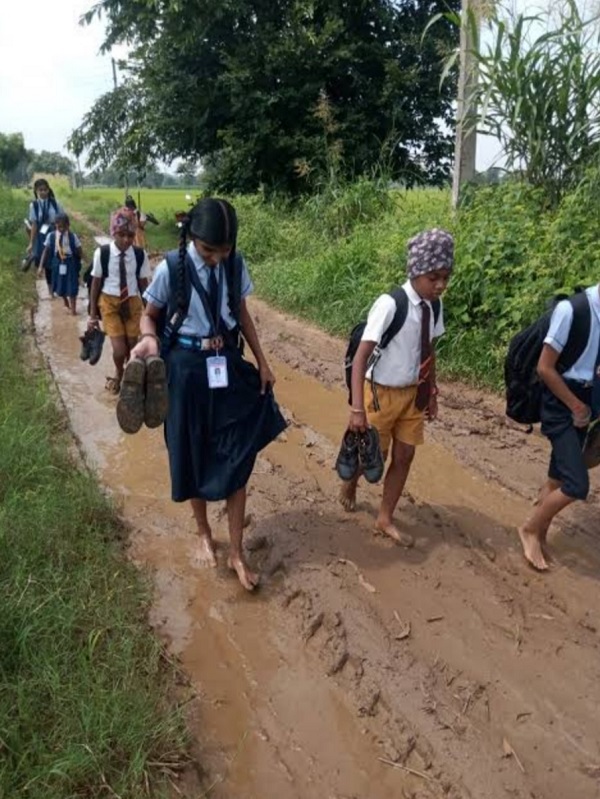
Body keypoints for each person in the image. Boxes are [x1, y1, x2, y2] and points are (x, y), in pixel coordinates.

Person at [128, 197, 287, 591]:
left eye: (224, 251)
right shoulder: (171, 267)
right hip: (184, 368)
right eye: (208, 250)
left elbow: (242, 313)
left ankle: (236, 551)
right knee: (190, 451)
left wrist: (262, 362)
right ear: (191, 239)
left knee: (238, 453)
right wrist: (149, 339)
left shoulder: (234, 264)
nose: (216, 258)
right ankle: (203, 533)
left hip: (225, 362)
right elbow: (149, 314)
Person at [339, 229, 454, 547]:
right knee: (373, 456)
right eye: (433, 277)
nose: (440, 285)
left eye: (445, 277)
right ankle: (351, 482)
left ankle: (385, 517)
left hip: (413, 395)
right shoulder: (390, 304)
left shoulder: (435, 307)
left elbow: (429, 349)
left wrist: (431, 392)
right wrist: (357, 409)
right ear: (416, 271)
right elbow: (361, 357)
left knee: (405, 456)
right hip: (380, 394)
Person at [518, 284, 600, 571]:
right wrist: (575, 406)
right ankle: (529, 529)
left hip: (587, 399)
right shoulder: (571, 310)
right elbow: (545, 367)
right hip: (560, 401)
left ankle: (541, 533)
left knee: (556, 476)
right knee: (576, 484)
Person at [87, 207, 151, 394]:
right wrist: (92, 315)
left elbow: (144, 285)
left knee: (133, 344)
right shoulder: (103, 254)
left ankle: (132, 378)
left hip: (132, 303)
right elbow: (95, 284)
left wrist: (150, 314)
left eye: (130, 235)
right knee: (119, 349)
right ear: (113, 233)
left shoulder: (139, 255)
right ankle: (119, 372)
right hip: (109, 303)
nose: (126, 240)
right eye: (121, 235)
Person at [38, 213, 83, 315]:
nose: (61, 229)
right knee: (60, 284)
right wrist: (40, 266)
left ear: (68, 225)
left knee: (72, 286)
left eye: (64, 227)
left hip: (70, 263)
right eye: (59, 227)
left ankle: (73, 310)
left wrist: (82, 261)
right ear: (55, 225)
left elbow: (80, 250)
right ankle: (65, 300)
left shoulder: (73, 237)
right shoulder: (51, 236)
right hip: (58, 263)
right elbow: (45, 251)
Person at [27, 179, 65, 292]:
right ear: (36, 191)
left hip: (55, 234)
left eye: (45, 189)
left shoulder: (55, 203)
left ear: (48, 190)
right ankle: (50, 287)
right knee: (45, 261)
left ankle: (57, 284)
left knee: (57, 259)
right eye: (40, 190)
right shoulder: (34, 205)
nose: (43, 192)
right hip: (41, 236)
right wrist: (31, 243)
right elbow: (34, 225)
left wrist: (64, 236)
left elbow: (63, 219)